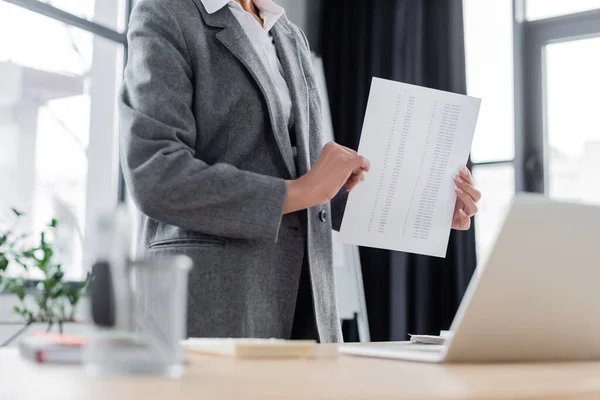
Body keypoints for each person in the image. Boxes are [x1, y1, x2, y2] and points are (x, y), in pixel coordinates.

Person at [120, 0, 482, 343]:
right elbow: (157, 175)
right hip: (213, 306)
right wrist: (303, 190)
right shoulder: (166, 13)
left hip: (308, 310)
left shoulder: (289, 35)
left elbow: (312, 189)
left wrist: (425, 206)